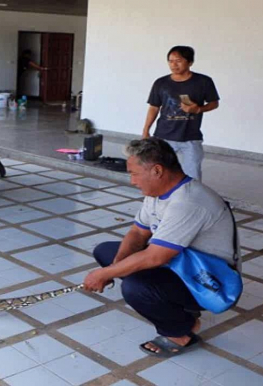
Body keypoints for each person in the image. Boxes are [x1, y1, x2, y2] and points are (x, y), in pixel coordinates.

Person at [83, 138, 237, 357]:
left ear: (157, 171)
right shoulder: (157, 193)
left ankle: (181, 330)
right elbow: (137, 233)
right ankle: (168, 301)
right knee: (106, 252)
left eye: (134, 173)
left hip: (207, 279)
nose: (132, 181)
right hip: (179, 263)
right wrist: (115, 267)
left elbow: (155, 257)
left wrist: (107, 273)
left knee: (135, 287)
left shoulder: (189, 202)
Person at [142, 46, 220, 181]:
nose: (173, 65)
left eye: (178, 61)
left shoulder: (203, 81)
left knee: (192, 175)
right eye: (170, 61)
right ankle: (160, 200)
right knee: (159, 173)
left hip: (190, 137)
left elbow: (214, 103)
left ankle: (190, 200)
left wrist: (198, 109)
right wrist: (146, 130)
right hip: (163, 136)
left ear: (190, 62)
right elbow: (154, 107)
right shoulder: (161, 83)